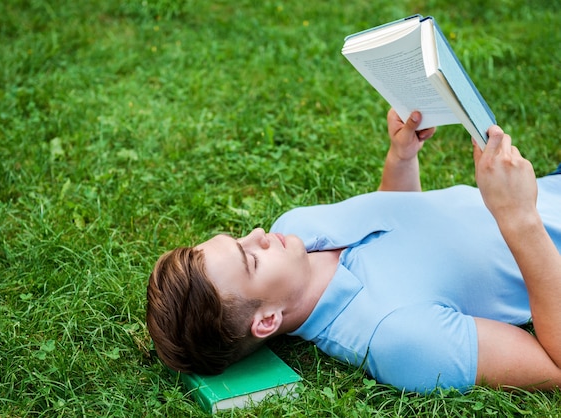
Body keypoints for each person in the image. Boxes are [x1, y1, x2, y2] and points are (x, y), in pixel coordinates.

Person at [146, 109, 561, 393]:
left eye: (239, 239)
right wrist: (518, 218)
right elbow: (555, 366)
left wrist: (401, 156)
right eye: (251, 259)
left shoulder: (294, 230)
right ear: (267, 320)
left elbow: (400, 233)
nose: (258, 233)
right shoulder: (398, 339)